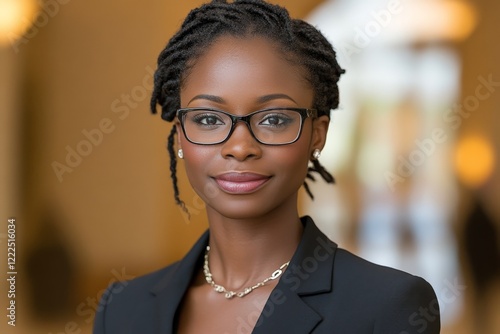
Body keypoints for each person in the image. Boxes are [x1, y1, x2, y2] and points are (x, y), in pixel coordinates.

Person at [93, 1, 440, 333]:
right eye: (209, 118)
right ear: (181, 136)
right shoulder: (123, 309)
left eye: (274, 119)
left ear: (317, 136)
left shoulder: (387, 306)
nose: (240, 147)